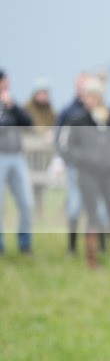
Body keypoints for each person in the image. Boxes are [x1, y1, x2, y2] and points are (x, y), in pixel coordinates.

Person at [64, 75, 110, 268]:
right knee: (92, 214)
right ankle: (92, 259)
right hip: (87, 175)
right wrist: (85, 158)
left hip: (108, 174)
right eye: (86, 96)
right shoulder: (78, 120)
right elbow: (69, 149)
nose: (88, 100)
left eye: (92, 96)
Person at [0, 69, 35, 254]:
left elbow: (28, 122)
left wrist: (12, 106)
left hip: (17, 156)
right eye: (3, 82)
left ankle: (25, 243)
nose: (6, 86)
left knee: (27, 202)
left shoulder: (12, 104)